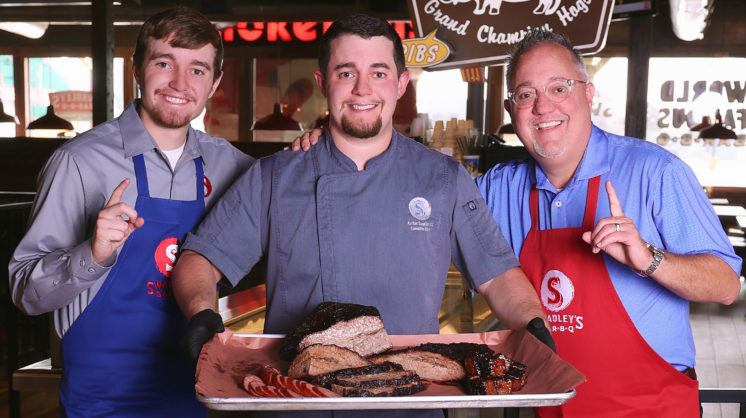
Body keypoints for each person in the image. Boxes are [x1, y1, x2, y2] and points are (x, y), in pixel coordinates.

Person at [172, 14, 553, 418]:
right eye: (346, 72)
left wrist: (534, 324)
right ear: (323, 82)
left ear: (401, 84)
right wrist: (202, 313)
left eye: (378, 72)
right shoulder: (275, 176)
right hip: (300, 404)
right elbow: (201, 259)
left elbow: (498, 275)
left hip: (410, 406)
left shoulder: (443, 177)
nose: (362, 89)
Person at [475, 30, 742, 417]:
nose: (543, 107)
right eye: (526, 94)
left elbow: (726, 286)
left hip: (653, 409)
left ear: (588, 93)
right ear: (510, 108)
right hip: (556, 408)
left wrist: (649, 259)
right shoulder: (497, 189)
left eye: (559, 88)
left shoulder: (655, 172)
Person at [8, 6, 253, 417]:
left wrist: (314, 143)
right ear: (136, 68)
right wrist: (92, 254)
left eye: (197, 69)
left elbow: (295, 187)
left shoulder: (231, 165)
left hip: (195, 393)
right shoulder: (79, 162)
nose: (180, 83)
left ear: (215, 82)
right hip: (101, 400)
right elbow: (25, 292)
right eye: (164, 63)